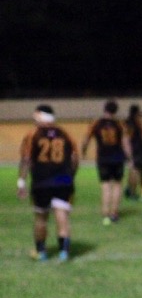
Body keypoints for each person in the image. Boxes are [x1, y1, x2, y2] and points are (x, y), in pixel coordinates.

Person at [17, 105, 79, 262]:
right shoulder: (66, 134)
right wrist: (71, 175)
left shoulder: (33, 134)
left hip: (41, 181)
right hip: (64, 180)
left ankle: (41, 252)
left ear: (40, 117)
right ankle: (64, 253)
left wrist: (21, 182)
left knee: (41, 218)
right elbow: (75, 158)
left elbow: (26, 159)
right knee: (62, 215)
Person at [81, 99, 130, 225]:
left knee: (105, 185)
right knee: (117, 185)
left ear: (105, 109)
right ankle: (114, 213)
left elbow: (86, 138)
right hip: (118, 158)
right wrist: (129, 157)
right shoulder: (120, 124)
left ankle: (105, 213)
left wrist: (84, 151)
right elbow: (125, 142)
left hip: (103, 158)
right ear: (116, 110)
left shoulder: (96, 123)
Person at [124, 105, 142, 201]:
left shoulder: (127, 121)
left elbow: (126, 136)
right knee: (136, 171)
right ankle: (132, 192)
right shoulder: (136, 123)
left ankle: (128, 189)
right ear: (136, 113)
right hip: (137, 149)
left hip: (131, 149)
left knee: (132, 169)